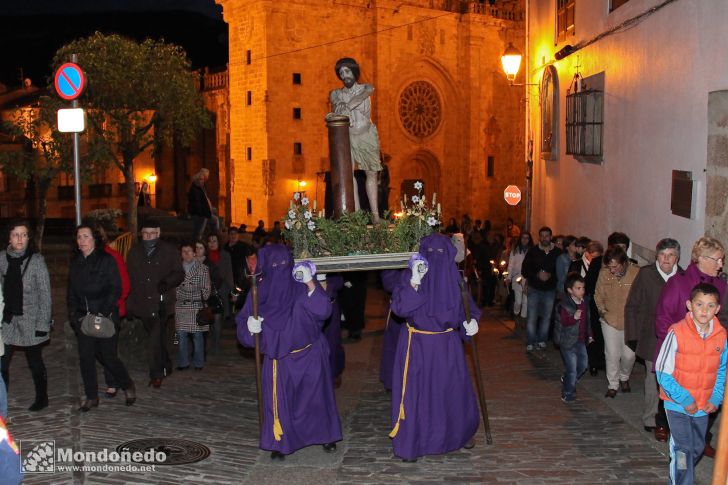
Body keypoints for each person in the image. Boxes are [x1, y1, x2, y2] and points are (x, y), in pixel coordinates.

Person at [236, 245, 341, 460]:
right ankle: (280, 441)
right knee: (282, 403)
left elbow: (324, 310)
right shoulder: (258, 293)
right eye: (274, 266)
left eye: (284, 264)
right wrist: (250, 326)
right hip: (279, 359)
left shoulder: (301, 285)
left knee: (316, 399)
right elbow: (243, 328)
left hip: (310, 354)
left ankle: (324, 435)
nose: (280, 269)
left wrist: (311, 282)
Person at [389, 233, 480, 462]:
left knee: (449, 393)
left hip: (447, 347)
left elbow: (467, 308)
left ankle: (457, 435)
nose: (435, 258)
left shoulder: (456, 280)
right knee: (416, 396)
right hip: (416, 346)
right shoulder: (410, 276)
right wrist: (415, 281)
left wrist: (471, 323)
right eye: (430, 253)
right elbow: (400, 308)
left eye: (440, 253)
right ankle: (413, 442)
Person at [655, 236, 727, 456]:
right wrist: (684, 341)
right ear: (702, 259)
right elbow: (663, 318)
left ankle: (699, 440)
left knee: (707, 390)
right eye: (718, 259)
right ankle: (669, 431)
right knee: (677, 392)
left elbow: (723, 317)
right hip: (679, 352)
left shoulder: (722, 285)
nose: (721, 264)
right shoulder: (678, 283)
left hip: (711, 350)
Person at [656, 283, 727, 485]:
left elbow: (721, 370)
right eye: (699, 304)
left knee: (696, 447)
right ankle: (682, 481)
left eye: (710, 305)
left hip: (703, 404)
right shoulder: (677, 333)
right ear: (689, 305)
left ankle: (678, 475)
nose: (704, 310)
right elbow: (662, 371)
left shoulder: (721, 336)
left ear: (718, 308)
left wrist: (716, 397)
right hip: (677, 404)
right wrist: (684, 398)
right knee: (683, 450)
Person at [67, 225, 135, 411]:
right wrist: (75, 317)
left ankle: (127, 384)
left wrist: (103, 313)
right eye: (79, 237)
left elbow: (116, 288)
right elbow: (71, 293)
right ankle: (91, 397)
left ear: (94, 239)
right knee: (86, 358)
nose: (82, 240)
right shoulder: (75, 263)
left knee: (108, 357)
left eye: (86, 236)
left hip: (106, 317)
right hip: (84, 319)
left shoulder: (107, 260)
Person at [624, 238, 681, 438]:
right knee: (652, 378)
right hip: (651, 336)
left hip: (675, 339)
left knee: (673, 380)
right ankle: (651, 417)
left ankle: (672, 418)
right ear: (657, 256)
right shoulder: (646, 274)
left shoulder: (681, 277)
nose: (666, 259)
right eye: (663, 255)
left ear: (677, 257)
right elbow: (632, 305)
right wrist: (632, 335)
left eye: (671, 255)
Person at [126, 219, 185, 389]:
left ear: (158, 234)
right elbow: (129, 280)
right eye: (145, 234)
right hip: (142, 303)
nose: (148, 237)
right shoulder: (134, 252)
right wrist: (129, 305)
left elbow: (179, 273)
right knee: (157, 339)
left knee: (153, 338)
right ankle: (165, 362)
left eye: (152, 234)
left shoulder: (169, 251)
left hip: (161, 304)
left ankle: (156, 374)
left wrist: (167, 282)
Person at [0, 220, 51, 412]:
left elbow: (45, 294)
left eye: (23, 234)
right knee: (2, 364)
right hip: (9, 319)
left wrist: (42, 324)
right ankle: (2, 401)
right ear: (9, 237)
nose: (20, 239)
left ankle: (42, 397)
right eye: (15, 234)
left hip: (31, 319)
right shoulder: (2, 259)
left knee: (35, 362)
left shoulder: (37, 261)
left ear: (29, 238)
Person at [328, 57, 382, 222]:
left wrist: (348, 104)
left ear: (354, 71)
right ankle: (356, 215)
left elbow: (367, 91)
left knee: (371, 174)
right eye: (341, 73)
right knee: (347, 173)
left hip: (366, 134)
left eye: (347, 71)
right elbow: (336, 105)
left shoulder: (366, 88)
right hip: (347, 136)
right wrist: (340, 107)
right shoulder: (337, 93)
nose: (345, 75)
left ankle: (375, 215)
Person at [594, 246, 639, 398]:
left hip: (630, 321)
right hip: (609, 320)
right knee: (612, 354)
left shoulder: (636, 273)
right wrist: (603, 311)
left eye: (615, 266)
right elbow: (598, 295)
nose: (612, 270)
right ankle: (612, 384)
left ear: (624, 262)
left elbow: (641, 297)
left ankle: (624, 377)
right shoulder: (604, 274)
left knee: (629, 355)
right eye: (609, 267)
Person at [97, 225, 131, 399]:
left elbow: (124, 286)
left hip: (111, 311)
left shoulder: (113, 256)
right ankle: (118, 378)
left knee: (108, 350)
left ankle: (114, 382)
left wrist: (111, 305)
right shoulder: (84, 258)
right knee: (98, 350)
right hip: (93, 313)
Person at [521, 226, 562, 351]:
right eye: (542, 236)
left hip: (550, 289)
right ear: (539, 237)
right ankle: (530, 340)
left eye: (547, 236)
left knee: (546, 316)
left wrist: (551, 275)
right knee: (532, 316)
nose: (544, 238)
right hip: (535, 288)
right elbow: (525, 270)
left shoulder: (557, 253)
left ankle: (542, 339)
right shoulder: (533, 251)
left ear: (550, 237)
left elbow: (560, 272)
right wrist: (537, 275)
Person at [556, 273, 593, 402]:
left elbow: (587, 320)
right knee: (572, 368)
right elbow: (564, 322)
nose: (582, 290)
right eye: (578, 288)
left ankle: (567, 380)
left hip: (581, 340)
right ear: (570, 290)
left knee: (583, 365)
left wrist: (590, 334)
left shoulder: (585, 302)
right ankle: (568, 393)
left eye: (583, 288)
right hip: (568, 341)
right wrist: (574, 318)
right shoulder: (564, 305)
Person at [175, 241, 211, 371]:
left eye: (189, 251)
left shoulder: (203, 269)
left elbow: (206, 291)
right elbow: (173, 288)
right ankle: (183, 362)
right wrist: (185, 292)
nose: (186, 254)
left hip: (197, 308)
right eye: (183, 251)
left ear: (194, 252)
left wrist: (188, 290)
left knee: (197, 336)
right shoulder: (176, 268)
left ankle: (199, 363)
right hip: (181, 307)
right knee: (180, 336)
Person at [317, 274, 346, 387]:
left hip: (330, 303)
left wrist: (325, 282)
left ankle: (334, 373)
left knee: (333, 341)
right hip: (308, 300)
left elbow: (339, 282)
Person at [507, 232, 532, 320]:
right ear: (520, 239)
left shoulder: (532, 251)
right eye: (523, 238)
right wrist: (508, 277)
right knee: (518, 301)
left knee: (526, 301)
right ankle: (516, 314)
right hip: (517, 278)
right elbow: (510, 265)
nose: (525, 240)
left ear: (529, 240)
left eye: (527, 238)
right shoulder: (515, 250)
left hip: (528, 279)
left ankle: (522, 320)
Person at [188, 168, 216, 241]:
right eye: (201, 179)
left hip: (204, 213)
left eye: (203, 179)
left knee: (215, 220)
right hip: (199, 215)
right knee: (199, 231)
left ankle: (215, 237)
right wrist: (204, 213)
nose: (203, 181)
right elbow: (197, 204)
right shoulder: (194, 190)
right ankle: (197, 242)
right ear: (196, 180)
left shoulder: (200, 188)